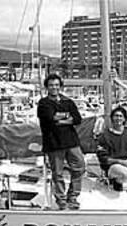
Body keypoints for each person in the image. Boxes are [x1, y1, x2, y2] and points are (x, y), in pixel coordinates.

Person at [37, 73, 85, 210]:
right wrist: (66, 117)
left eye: (57, 85)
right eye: (51, 85)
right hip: (54, 143)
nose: (54, 87)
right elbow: (50, 119)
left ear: (60, 86)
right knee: (57, 173)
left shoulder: (68, 102)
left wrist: (60, 119)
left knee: (80, 167)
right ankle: (61, 199)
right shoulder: (43, 103)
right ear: (47, 87)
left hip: (72, 141)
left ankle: (73, 196)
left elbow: (77, 119)